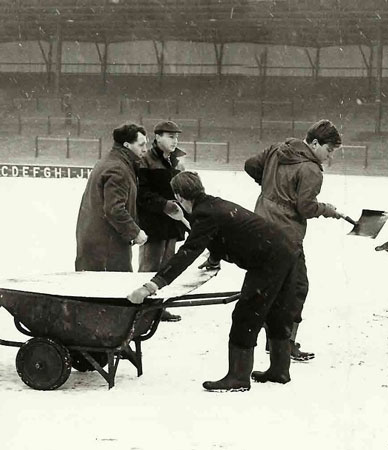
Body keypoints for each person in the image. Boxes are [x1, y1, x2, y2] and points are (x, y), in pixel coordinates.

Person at [126, 172, 301, 392]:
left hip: (269, 260)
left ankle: (238, 377)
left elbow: (188, 252)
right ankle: (279, 370)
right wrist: (214, 258)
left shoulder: (204, 214)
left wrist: (152, 285)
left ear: (179, 197)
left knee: (247, 314)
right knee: (277, 311)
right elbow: (223, 234)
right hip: (287, 249)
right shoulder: (214, 205)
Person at [244, 119, 343, 361]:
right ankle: (285, 342)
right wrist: (328, 209)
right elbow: (306, 207)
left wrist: (269, 187)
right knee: (297, 288)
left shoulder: (278, 149)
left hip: (261, 226)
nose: (328, 157)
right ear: (315, 143)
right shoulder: (311, 170)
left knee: (268, 285)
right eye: (328, 151)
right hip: (287, 235)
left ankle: (269, 339)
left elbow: (250, 165)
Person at [75, 123, 148, 272]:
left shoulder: (111, 162)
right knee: (111, 290)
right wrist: (135, 232)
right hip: (107, 246)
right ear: (127, 145)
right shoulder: (118, 169)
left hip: (96, 240)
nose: (145, 150)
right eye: (141, 145)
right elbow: (114, 209)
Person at [137, 120, 188, 322]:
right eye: (170, 136)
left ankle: (159, 308)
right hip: (153, 224)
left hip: (172, 224)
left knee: (167, 267)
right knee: (148, 268)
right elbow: (142, 194)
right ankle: (142, 310)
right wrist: (164, 205)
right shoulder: (146, 161)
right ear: (157, 137)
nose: (174, 140)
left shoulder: (177, 162)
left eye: (176, 136)